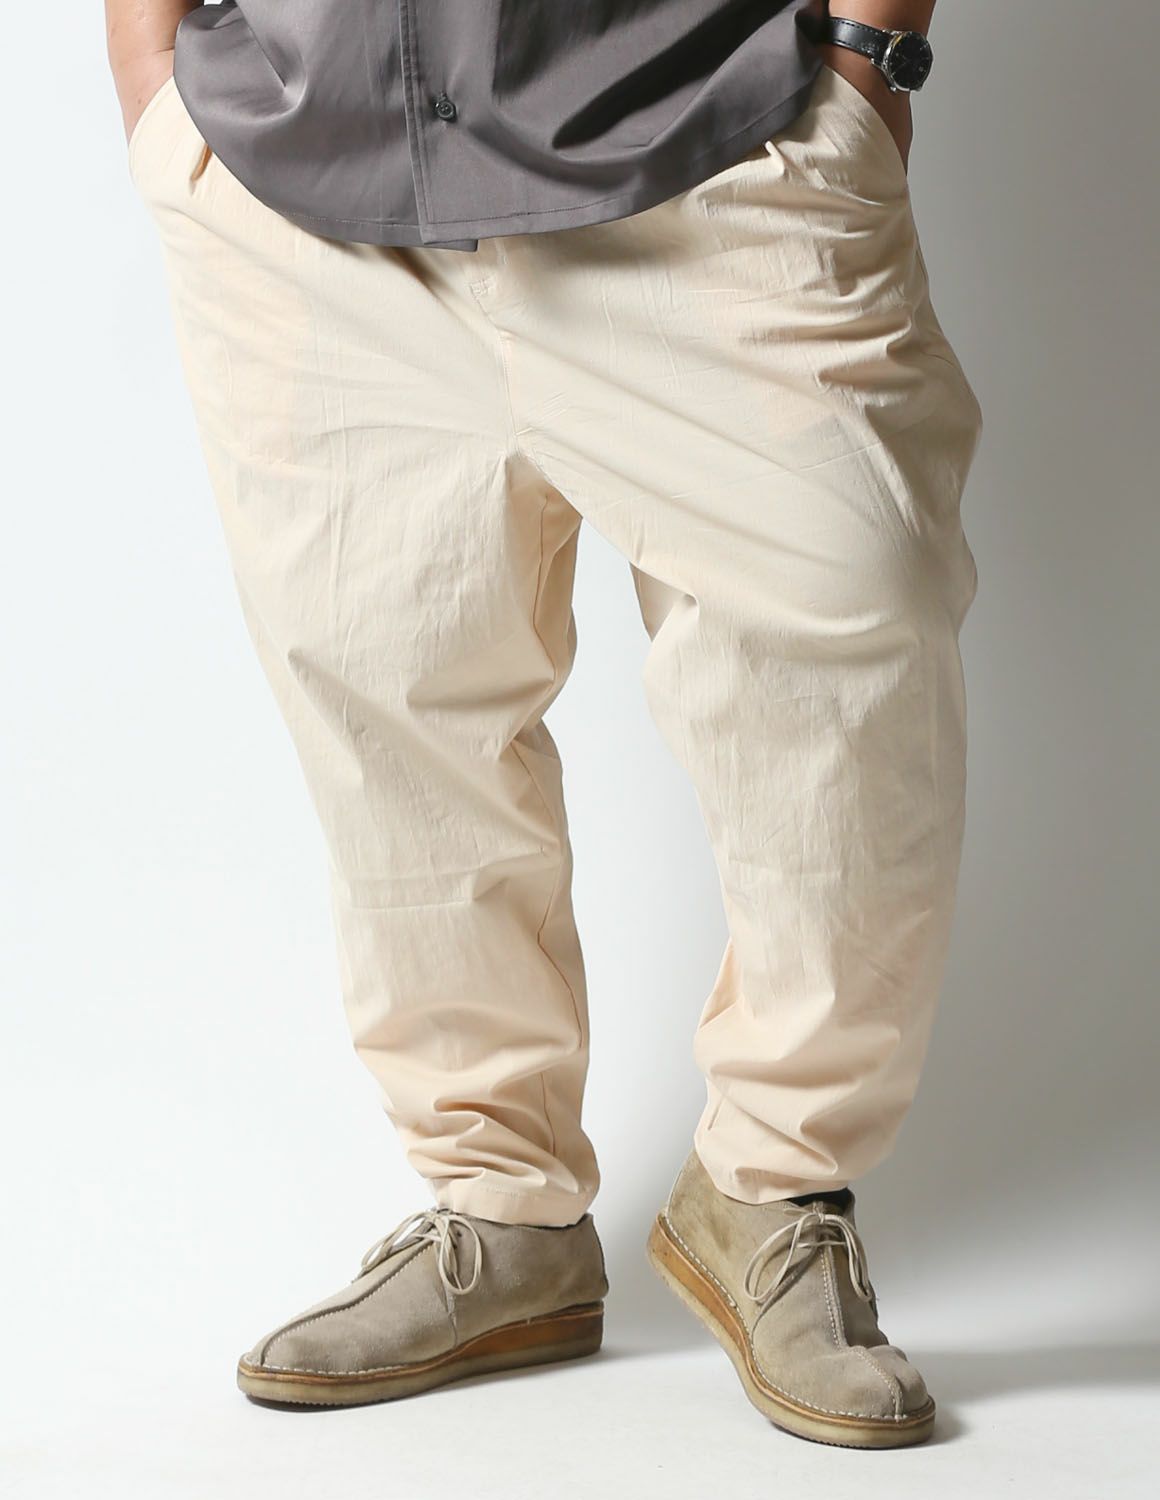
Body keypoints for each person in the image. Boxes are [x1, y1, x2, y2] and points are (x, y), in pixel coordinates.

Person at [107, 0, 981, 1448]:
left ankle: (774, 1189)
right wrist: (151, 78)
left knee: (852, 640)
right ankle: (498, 1211)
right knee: (389, 704)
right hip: (304, 178)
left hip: (707, 141)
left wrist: (868, 62)